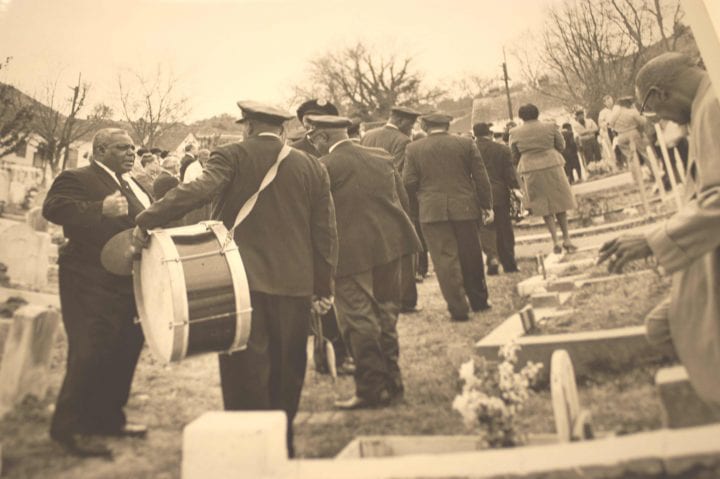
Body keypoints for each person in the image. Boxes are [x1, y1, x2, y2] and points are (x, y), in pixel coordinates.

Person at [134, 101, 338, 456]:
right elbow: (326, 233)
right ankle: (282, 444)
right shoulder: (312, 166)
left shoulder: (231, 155)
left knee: (245, 368)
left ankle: (249, 450)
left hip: (240, 283)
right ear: (283, 129)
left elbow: (195, 192)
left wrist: (147, 218)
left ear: (247, 127)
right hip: (295, 284)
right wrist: (323, 287)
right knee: (289, 367)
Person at [598, 52, 720, 412]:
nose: (658, 121)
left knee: (678, 328)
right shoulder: (705, 103)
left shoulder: (711, 106)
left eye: (651, 111)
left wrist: (652, 240)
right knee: (668, 325)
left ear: (660, 94)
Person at [42, 128, 150, 458]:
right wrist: (99, 209)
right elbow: (53, 209)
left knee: (125, 347)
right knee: (90, 350)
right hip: (87, 278)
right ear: (100, 149)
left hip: (126, 279)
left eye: (132, 148)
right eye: (122, 148)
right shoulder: (77, 177)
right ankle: (70, 427)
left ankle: (107, 418)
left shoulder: (133, 183)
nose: (130, 153)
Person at [305, 115, 421, 409]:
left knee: (358, 320)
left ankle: (371, 389)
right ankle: (393, 384)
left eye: (312, 139)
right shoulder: (381, 156)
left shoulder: (324, 167)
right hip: (389, 249)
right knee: (385, 316)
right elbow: (402, 201)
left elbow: (315, 218)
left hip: (350, 256)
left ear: (321, 138)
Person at [404, 112, 493, 321]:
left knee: (444, 260)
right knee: (471, 255)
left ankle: (458, 307)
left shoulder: (413, 148)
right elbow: (481, 177)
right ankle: (479, 301)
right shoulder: (466, 144)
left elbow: (408, 182)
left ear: (425, 126)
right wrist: (486, 205)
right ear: (448, 125)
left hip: (431, 210)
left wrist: (419, 205)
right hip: (464, 207)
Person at [288, 98, 353, 376]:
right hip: (311, 233)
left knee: (340, 299)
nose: (309, 124)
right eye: (306, 119)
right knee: (320, 297)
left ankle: (337, 353)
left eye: (316, 119)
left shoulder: (340, 148)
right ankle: (331, 355)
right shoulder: (293, 152)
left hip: (340, 230)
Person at [361, 106, 423, 313]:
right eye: (411, 123)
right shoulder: (403, 141)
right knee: (405, 250)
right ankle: (406, 299)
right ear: (401, 121)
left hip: (369, 200)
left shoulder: (368, 135)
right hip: (395, 200)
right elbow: (397, 174)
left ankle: (379, 296)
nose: (412, 128)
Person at [510, 104, 578, 254]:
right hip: (552, 165)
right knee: (560, 202)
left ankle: (555, 241)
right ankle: (567, 238)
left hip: (530, 169)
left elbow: (514, 156)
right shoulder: (550, 126)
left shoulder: (514, 132)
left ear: (521, 117)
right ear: (537, 113)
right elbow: (561, 145)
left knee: (543, 205)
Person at [473, 121, 520, 275]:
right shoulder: (502, 149)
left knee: (485, 228)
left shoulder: (470, 149)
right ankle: (509, 263)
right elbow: (509, 173)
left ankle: (492, 257)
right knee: (504, 228)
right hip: (499, 193)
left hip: (478, 194)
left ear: (475, 135)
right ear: (490, 133)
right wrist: (515, 189)